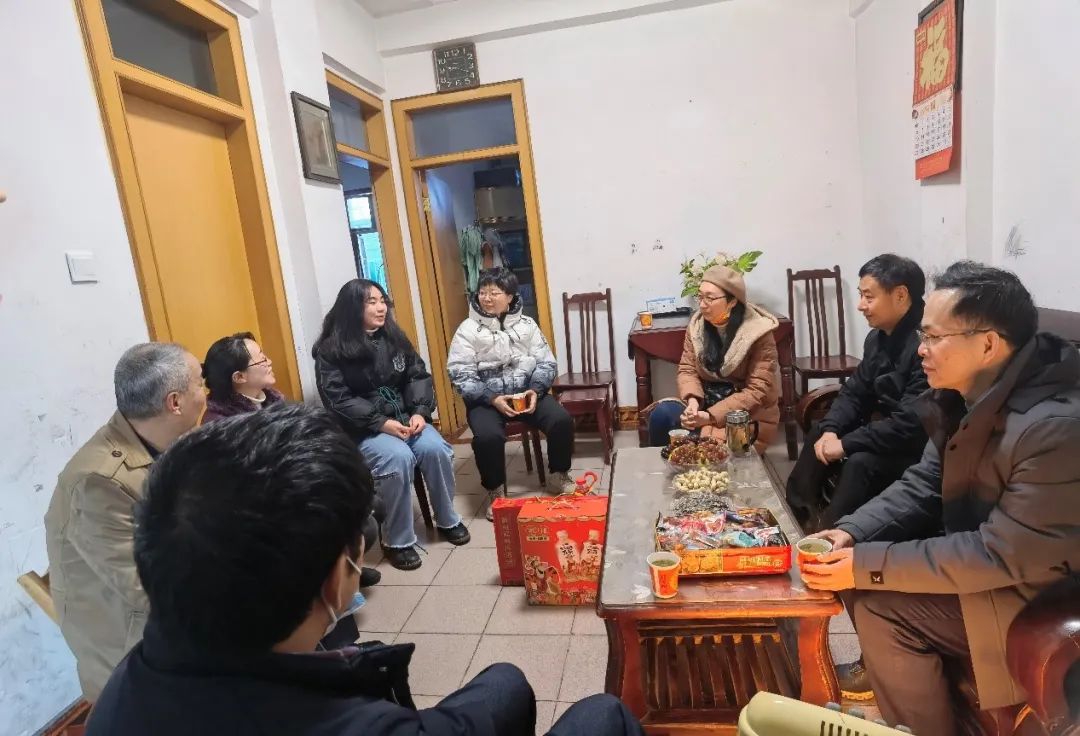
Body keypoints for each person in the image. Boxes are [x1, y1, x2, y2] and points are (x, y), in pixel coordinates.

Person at [87, 405, 646, 736]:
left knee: (505, 682)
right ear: (339, 577)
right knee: (604, 715)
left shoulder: (121, 691)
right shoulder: (353, 725)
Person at [801, 262, 1080, 736]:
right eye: (921, 335)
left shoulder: (1052, 428)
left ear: (987, 344)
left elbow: (1000, 554)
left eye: (932, 337)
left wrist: (867, 563)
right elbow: (924, 483)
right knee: (854, 569)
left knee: (879, 604)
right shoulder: (966, 395)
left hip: (1038, 590)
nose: (921, 349)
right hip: (993, 564)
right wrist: (851, 532)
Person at [44, 342, 205, 701]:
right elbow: (146, 589)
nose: (205, 391)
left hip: (176, 605)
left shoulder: (169, 439)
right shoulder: (99, 482)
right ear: (175, 402)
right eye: (200, 382)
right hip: (133, 651)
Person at [203, 331, 382, 592]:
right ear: (239, 377)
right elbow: (253, 485)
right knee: (362, 524)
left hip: (297, 491)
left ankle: (343, 569)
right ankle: (331, 580)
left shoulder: (273, 400)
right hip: (267, 513)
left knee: (371, 503)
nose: (269, 361)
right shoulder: (220, 426)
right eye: (260, 359)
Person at [315, 279, 468, 571]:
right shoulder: (330, 350)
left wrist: (420, 411)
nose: (381, 307)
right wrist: (380, 423)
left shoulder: (394, 337)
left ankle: (448, 519)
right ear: (352, 308)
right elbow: (339, 399)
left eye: (382, 300)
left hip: (406, 418)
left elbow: (417, 375)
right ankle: (397, 540)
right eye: (371, 302)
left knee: (436, 449)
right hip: (364, 429)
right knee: (397, 458)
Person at [785, 254, 929, 531]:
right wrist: (832, 430)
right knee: (821, 431)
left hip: (913, 441)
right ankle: (794, 517)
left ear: (900, 295)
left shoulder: (925, 345)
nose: (860, 305)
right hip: (882, 429)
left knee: (860, 462)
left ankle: (832, 535)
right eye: (861, 295)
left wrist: (847, 444)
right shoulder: (877, 337)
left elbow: (910, 424)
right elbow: (854, 391)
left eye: (869, 297)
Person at [447, 268, 576, 519]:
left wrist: (536, 390)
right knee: (487, 437)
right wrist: (492, 398)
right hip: (487, 399)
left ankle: (558, 475)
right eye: (482, 292)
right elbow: (460, 373)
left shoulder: (527, 325)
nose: (487, 298)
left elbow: (546, 363)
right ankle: (495, 490)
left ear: (510, 296)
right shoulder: (467, 330)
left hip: (526, 393)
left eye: (494, 292)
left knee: (561, 420)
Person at [647, 264, 780, 451]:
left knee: (711, 454)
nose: (702, 305)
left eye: (710, 298)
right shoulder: (697, 327)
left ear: (732, 302)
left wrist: (710, 416)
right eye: (700, 297)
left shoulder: (759, 333)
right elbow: (687, 369)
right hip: (704, 405)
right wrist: (693, 402)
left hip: (743, 416)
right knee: (663, 416)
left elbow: (756, 391)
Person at [200, 331, 285, 423]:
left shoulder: (273, 402)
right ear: (239, 377)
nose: (269, 361)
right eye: (262, 360)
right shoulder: (221, 424)